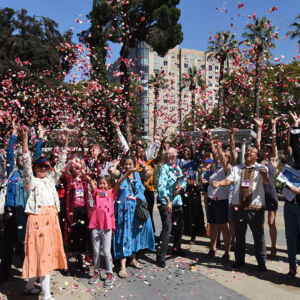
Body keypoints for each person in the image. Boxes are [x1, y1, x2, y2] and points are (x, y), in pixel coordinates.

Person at [19, 126, 69, 300]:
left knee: (42, 254)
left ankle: (29, 286)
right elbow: (26, 162)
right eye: (40, 166)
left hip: (52, 219)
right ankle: (47, 295)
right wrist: (25, 140)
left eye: (46, 166)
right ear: (35, 168)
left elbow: (62, 163)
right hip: (37, 219)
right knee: (42, 254)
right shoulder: (30, 181)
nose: (43, 168)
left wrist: (66, 143)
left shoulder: (50, 179)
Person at [211, 146, 270, 272]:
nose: (248, 153)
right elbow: (228, 180)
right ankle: (239, 260)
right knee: (239, 236)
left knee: (258, 236)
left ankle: (261, 262)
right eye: (247, 151)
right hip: (239, 208)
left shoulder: (261, 168)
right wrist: (219, 183)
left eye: (251, 152)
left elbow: (267, 181)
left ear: (257, 156)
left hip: (255, 209)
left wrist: (265, 175)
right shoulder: (237, 168)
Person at [0, 120, 44, 284]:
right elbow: (10, 151)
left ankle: (35, 275)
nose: (20, 158)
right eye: (18, 156)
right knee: (6, 245)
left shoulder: (31, 173)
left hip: (27, 213)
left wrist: (40, 138)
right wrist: (13, 135)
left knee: (32, 246)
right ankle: (4, 273)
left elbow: (38, 156)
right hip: (11, 212)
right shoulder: (11, 171)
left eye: (22, 156)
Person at [114, 156, 155, 278]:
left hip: (137, 210)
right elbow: (111, 170)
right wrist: (117, 163)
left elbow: (149, 172)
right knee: (123, 235)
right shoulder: (120, 174)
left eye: (130, 164)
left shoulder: (139, 175)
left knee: (135, 234)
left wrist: (141, 165)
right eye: (125, 164)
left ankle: (133, 258)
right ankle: (122, 266)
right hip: (124, 211)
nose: (128, 166)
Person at [156, 147, 187, 268]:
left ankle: (176, 248)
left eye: (172, 154)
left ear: (175, 156)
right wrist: (168, 200)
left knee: (180, 226)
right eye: (168, 154)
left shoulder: (177, 168)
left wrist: (181, 187)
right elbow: (161, 187)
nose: (170, 156)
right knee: (167, 227)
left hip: (177, 201)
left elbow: (182, 180)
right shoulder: (164, 169)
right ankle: (160, 256)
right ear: (165, 156)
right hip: (166, 201)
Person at [255, 117, 280, 259]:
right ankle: (261, 246)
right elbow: (257, 143)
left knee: (271, 222)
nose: (266, 149)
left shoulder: (273, 161)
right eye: (265, 148)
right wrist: (259, 128)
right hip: (259, 194)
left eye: (268, 148)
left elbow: (275, 143)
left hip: (270, 194)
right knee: (260, 223)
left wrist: (273, 126)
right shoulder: (259, 161)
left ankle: (274, 247)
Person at [60, 158, 91, 270]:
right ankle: (65, 265)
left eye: (80, 165)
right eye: (75, 166)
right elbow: (60, 173)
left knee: (82, 235)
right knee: (70, 236)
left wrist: (82, 168)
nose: (78, 168)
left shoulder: (84, 179)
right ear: (70, 167)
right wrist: (69, 162)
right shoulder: (68, 178)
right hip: (72, 212)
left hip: (83, 211)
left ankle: (81, 261)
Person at [206, 139, 231, 260]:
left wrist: (218, 147)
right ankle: (213, 248)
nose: (219, 158)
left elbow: (220, 156)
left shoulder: (228, 169)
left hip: (221, 201)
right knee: (213, 226)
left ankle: (227, 252)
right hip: (212, 200)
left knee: (223, 226)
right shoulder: (217, 169)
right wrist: (212, 143)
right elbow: (216, 155)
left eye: (223, 157)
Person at [283, 112, 300, 278]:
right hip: (289, 205)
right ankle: (292, 267)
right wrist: (295, 126)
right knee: (290, 237)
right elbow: (294, 147)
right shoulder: (296, 162)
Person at [178, 146, 206, 245]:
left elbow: (201, 156)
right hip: (182, 189)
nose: (186, 152)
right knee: (181, 213)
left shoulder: (194, 162)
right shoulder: (179, 162)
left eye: (188, 151)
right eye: (185, 150)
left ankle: (193, 236)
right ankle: (180, 235)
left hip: (192, 190)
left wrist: (202, 142)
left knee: (194, 213)